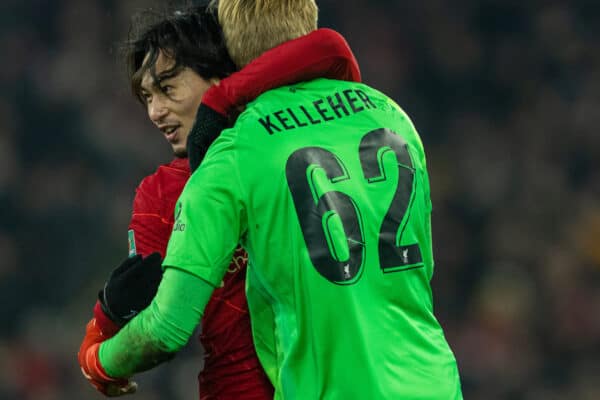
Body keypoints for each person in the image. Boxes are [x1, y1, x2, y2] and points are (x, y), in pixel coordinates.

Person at [79, 0, 462, 398]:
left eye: (168, 87)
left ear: (225, 62)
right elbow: (421, 270)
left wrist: (95, 358)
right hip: (433, 380)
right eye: (146, 97)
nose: (155, 111)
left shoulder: (233, 156)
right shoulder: (390, 113)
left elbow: (166, 327)